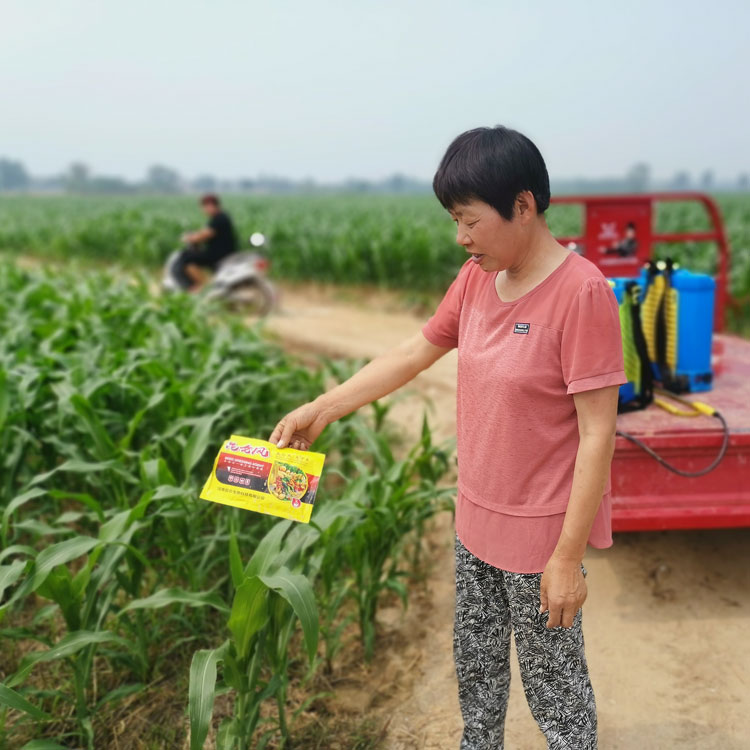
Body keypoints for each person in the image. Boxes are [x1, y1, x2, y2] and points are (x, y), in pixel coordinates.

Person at [270, 125, 627, 749]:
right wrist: (323, 408)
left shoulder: (581, 292)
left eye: (469, 220)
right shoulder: (474, 278)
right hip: (474, 522)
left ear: (522, 205)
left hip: (541, 535)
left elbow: (599, 433)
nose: (460, 237)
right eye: (454, 221)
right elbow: (414, 351)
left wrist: (567, 558)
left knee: (558, 697)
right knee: (478, 678)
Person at [174, 194, 237, 290]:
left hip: (219, 254)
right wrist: (194, 235)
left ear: (212, 205)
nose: (204, 210)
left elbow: (204, 235)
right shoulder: (220, 217)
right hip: (221, 252)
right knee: (190, 256)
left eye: (205, 207)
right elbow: (205, 232)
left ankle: (203, 287)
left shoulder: (219, 219)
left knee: (187, 259)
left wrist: (189, 238)